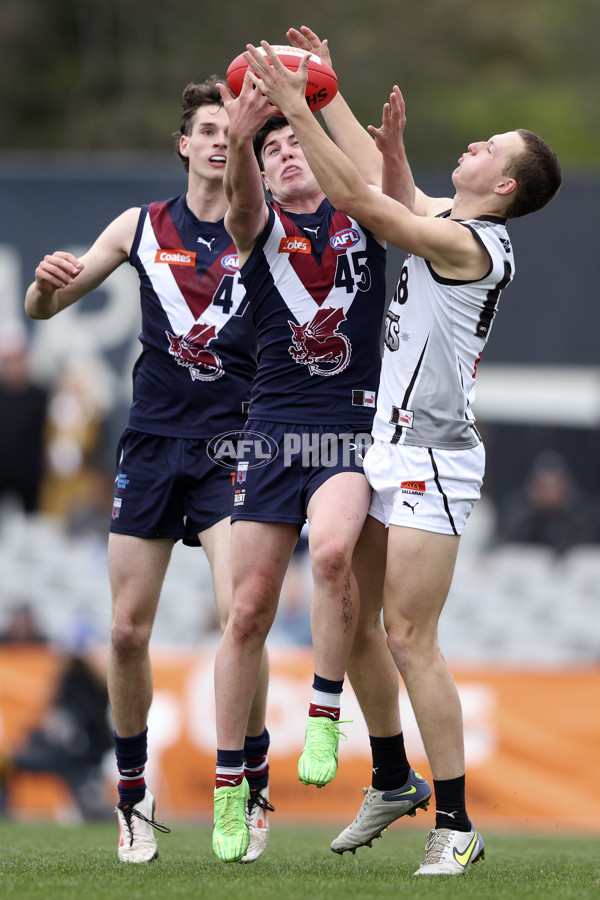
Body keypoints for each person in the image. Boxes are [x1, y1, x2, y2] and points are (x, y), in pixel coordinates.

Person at [246, 39, 562, 876]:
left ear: (503, 188)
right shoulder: (452, 220)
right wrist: (332, 92)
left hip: (434, 459)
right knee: (349, 604)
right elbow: (387, 184)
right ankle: (391, 775)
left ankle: (456, 823)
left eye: (492, 147)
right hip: (387, 446)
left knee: (411, 635)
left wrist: (299, 104)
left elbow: (364, 202)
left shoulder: (475, 247)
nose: (477, 143)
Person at [24, 77, 272, 864]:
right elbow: (45, 311)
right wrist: (41, 285)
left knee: (245, 617)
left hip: (234, 447)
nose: (215, 138)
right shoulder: (139, 225)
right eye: (204, 127)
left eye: (228, 129)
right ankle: (132, 800)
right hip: (153, 447)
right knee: (128, 633)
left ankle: (250, 779)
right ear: (182, 142)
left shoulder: (260, 226)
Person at [209, 27, 398, 863]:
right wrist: (247, 133)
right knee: (245, 612)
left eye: (297, 144)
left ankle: (324, 716)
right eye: (275, 147)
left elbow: (387, 184)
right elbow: (243, 201)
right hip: (271, 431)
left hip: (348, 431)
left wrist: (332, 105)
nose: (288, 156)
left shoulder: (367, 221)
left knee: (330, 560)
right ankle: (231, 788)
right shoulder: (260, 230)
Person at [496, 449, 599, 553]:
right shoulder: (517, 510)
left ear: (566, 486)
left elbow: (584, 550)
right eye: (542, 486)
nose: (548, 493)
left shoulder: (581, 514)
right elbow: (502, 543)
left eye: (553, 486)